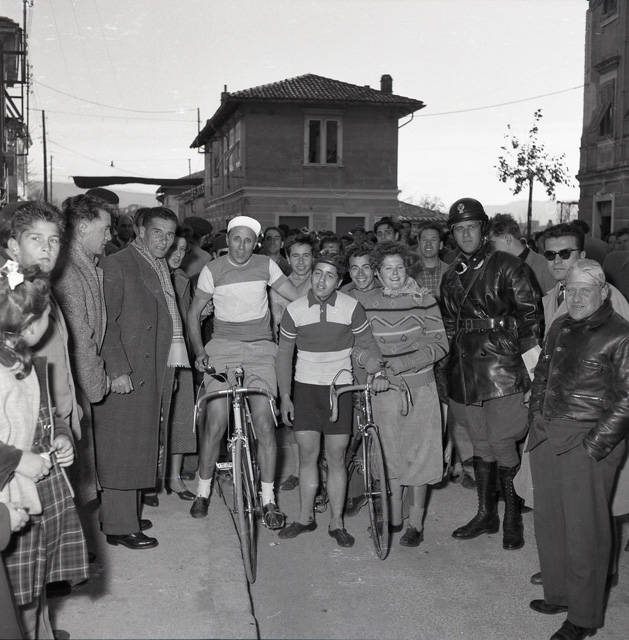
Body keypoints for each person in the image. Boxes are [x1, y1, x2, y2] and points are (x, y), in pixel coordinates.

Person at [527, 260, 629, 640]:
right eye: (571, 289)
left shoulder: (621, 334)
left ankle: (584, 617)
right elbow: (542, 373)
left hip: (587, 440)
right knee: (550, 521)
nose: (577, 297)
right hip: (547, 432)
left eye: (586, 290)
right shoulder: (559, 325)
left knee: (586, 532)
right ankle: (558, 594)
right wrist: (535, 415)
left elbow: (627, 399)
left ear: (604, 292)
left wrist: (595, 445)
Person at [438, 197, 543, 551]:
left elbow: (531, 322)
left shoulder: (508, 265)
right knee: (480, 443)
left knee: (501, 441)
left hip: (504, 366)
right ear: (452, 234)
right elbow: (449, 328)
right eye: (458, 229)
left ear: (483, 229)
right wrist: (445, 372)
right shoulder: (451, 275)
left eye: (471, 227)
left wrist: (535, 376)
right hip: (465, 370)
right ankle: (486, 514)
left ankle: (512, 516)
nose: (466, 234)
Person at [186, 215, 301, 523]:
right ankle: (203, 491)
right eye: (236, 239)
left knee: (264, 423)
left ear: (256, 243)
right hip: (222, 348)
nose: (241, 246)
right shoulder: (212, 269)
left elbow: (297, 296)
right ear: (227, 240)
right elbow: (194, 313)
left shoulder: (266, 265)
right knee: (216, 422)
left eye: (248, 240)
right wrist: (199, 350)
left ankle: (268, 499)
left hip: (261, 350)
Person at [0, 264, 88, 639]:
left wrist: (62, 436)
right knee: (15, 598)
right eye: (48, 315)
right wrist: (21, 460)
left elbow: (45, 415)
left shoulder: (27, 364)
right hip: (11, 495)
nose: (51, 323)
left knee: (35, 587)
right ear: (30, 324)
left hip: (40, 489)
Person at [276, 254, 385, 546]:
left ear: (338, 282)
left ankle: (337, 523)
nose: (322, 280)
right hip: (305, 389)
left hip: (340, 390)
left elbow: (368, 344)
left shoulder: (351, 307)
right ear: (311, 275)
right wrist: (285, 396)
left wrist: (377, 370)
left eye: (329, 275)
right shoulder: (295, 309)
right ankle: (305, 518)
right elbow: (284, 355)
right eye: (318, 273)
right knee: (308, 455)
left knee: (337, 457)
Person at [93, 207, 180, 550]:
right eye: (158, 232)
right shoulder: (119, 263)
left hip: (149, 366)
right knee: (121, 447)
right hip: (128, 370)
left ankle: (122, 513)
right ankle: (120, 526)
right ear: (141, 231)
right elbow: (106, 322)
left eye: (170, 234)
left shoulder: (156, 265)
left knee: (136, 444)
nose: (165, 240)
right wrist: (117, 369)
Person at [360, 242, 449, 545]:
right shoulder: (367, 304)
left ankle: (416, 524)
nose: (395, 273)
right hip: (383, 390)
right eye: (388, 268)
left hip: (420, 389)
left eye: (399, 267)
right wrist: (371, 365)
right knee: (388, 455)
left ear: (407, 269)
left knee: (419, 457)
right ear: (377, 272)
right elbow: (359, 345)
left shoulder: (425, 300)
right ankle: (394, 518)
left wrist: (401, 365)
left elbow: (440, 344)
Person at [269, 234, 317, 492]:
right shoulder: (278, 288)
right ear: (287, 258)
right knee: (292, 416)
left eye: (306, 256)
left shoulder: (322, 282)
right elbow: (274, 326)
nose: (300, 262)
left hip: (319, 354)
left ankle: (317, 466)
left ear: (313, 258)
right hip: (290, 354)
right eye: (295, 256)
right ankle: (299, 471)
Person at [542, 223, 629, 325]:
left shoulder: (608, 296)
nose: (557, 261)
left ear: (582, 256)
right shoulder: (553, 295)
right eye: (550, 254)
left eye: (565, 253)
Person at [163, 228, 196, 500]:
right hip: (157, 355)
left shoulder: (183, 279)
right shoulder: (152, 275)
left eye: (183, 249)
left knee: (181, 417)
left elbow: (187, 319)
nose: (178, 254)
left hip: (181, 356)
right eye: (174, 247)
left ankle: (174, 477)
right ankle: (152, 479)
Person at [488, 213, 556, 294]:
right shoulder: (499, 268)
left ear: (508, 239)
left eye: (493, 243)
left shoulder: (543, 266)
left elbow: (554, 300)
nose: (491, 249)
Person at [409, 223, 449, 299]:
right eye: (424, 240)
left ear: (440, 245)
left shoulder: (451, 272)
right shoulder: (409, 274)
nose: (428, 244)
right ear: (419, 244)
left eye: (433, 240)